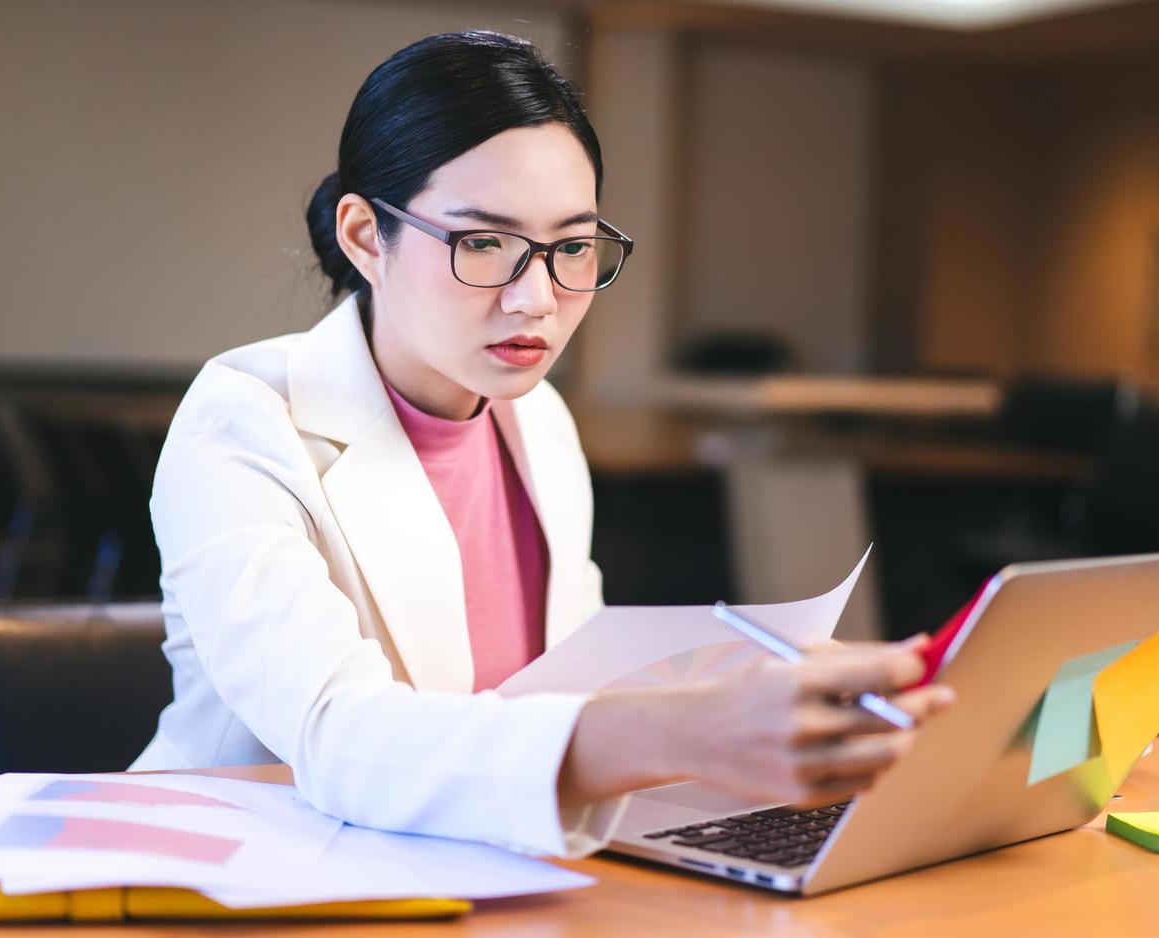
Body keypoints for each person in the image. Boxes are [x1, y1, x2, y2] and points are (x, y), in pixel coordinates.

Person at [132, 30, 954, 856]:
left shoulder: (538, 420)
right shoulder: (241, 424)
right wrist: (679, 733)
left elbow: (567, 680)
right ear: (361, 237)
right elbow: (338, 736)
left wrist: (755, 696)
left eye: (570, 248)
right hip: (245, 873)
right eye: (482, 243)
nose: (537, 300)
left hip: (471, 863)